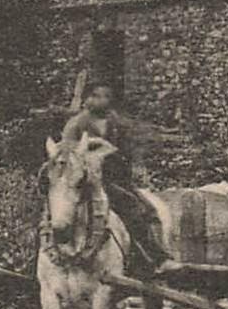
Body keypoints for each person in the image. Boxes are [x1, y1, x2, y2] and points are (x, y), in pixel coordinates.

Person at [60, 80, 165, 271]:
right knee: (57, 215)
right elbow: (67, 152)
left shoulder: (114, 122)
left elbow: (126, 151)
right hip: (86, 183)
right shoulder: (76, 124)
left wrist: (125, 161)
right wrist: (93, 146)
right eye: (97, 96)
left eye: (107, 96)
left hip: (116, 180)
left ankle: (153, 258)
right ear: (86, 99)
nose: (103, 101)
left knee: (147, 210)